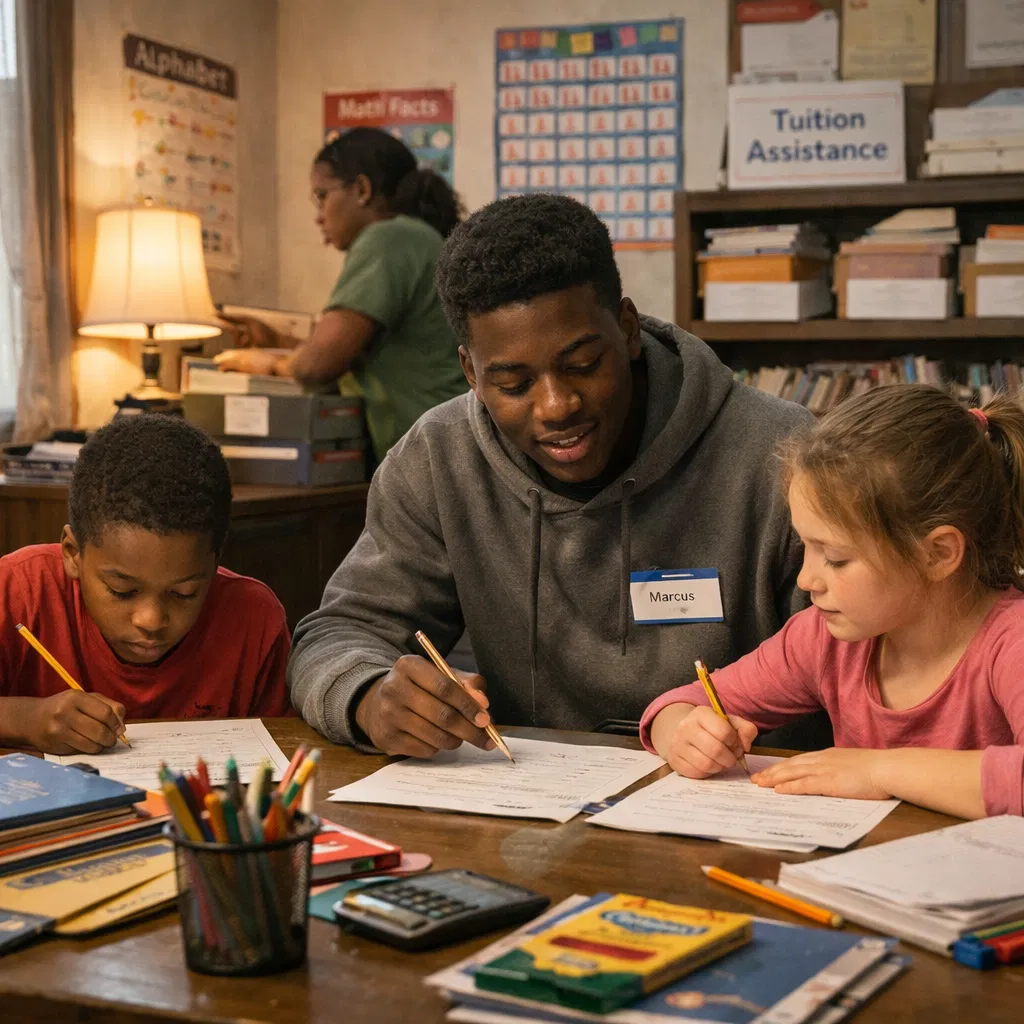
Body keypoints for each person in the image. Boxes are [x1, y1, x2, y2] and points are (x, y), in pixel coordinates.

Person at [288, 193, 814, 757]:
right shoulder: (438, 458)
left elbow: (860, 658)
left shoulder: (781, 454)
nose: (557, 406)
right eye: (513, 384)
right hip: (530, 797)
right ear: (471, 372)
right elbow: (338, 634)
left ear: (628, 328)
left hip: (739, 791)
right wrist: (368, 695)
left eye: (583, 365)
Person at [642, 385, 1024, 820]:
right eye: (804, 545)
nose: (806, 580)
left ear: (936, 554)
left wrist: (878, 771)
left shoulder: (1012, 642)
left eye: (837, 559)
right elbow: (683, 702)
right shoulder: (824, 639)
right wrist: (683, 733)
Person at [0, 415, 293, 755]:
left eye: (184, 593)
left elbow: (288, 749)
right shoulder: (19, 590)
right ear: (73, 553)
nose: (151, 621)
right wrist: (27, 719)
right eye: (121, 591)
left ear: (214, 562)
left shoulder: (253, 620)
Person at [218, 127, 468, 464]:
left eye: (321, 196)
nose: (318, 215)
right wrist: (276, 340)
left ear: (362, 190)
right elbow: (361, 350)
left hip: (432, 457)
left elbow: (316, 366)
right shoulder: (419, 237)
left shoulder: (388, 239)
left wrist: (269, 364)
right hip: (447, 448)